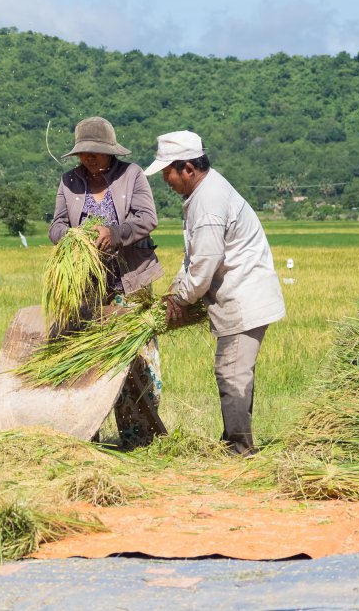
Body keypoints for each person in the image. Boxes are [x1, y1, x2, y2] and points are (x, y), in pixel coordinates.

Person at [144, 130, 285, 456]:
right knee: (235, 371)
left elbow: (205, 264)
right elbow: (193, 258)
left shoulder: (208, 201)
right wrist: (176, 289)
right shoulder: (205, 193)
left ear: (188, 168)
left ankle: (238, 449)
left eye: (168, 171)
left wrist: (179, 299)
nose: (166, 179)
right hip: (240, 297)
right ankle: (234, 441)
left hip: (242, 299)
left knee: (231, 373)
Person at [50, 116, 165, 449]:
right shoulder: (69, 181)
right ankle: (89, 437)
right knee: (90, 361)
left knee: (136, 361)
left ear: (110, 152)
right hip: (87, 289)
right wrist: (76, 237)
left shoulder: (132, 176)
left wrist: (115, 233)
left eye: (96, 154)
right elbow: (55, 227)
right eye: (84, 154)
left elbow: (147, 218)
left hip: (130, 284)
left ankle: (139, 438)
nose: (89, 160)